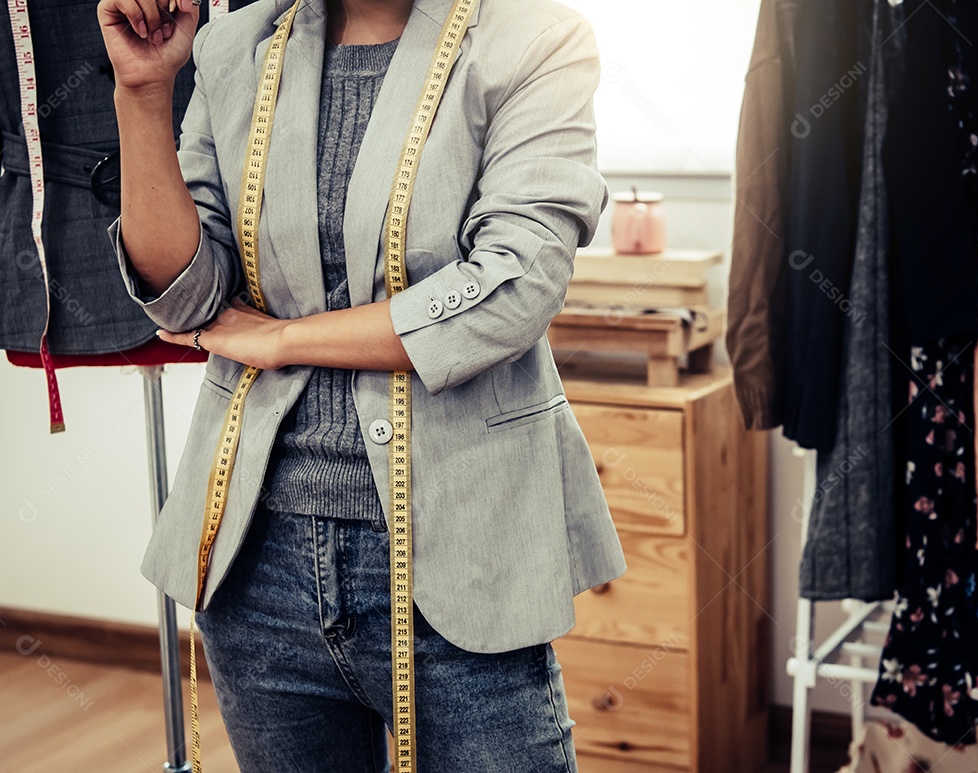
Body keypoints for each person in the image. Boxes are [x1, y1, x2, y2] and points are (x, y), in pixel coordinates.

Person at [96, 0, 626, 769]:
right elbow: (186, 295)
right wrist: (142, 95)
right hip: (257, 567)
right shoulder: (234, 48)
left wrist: (284, 338)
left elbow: (514, 287)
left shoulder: (534, 38)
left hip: (459, 564)